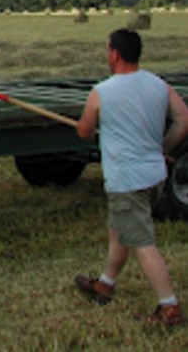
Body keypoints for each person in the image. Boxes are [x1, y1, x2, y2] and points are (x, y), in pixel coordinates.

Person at [74, 28, 188, 326]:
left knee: (142, 243)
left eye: (107, 49)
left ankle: (169, 307)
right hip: (154, 176)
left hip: (127, 180)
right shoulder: (158, 85)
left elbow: (84, 131)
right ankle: (104, 285)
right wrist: (163, 146)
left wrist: (84, 124)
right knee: (120, 230)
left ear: (114, 53)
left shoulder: (103, 92)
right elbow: (183, 119)